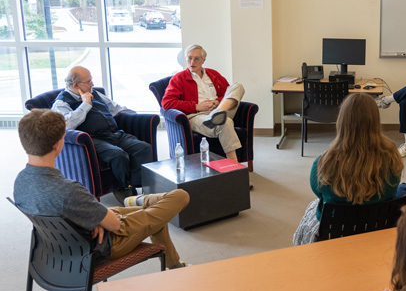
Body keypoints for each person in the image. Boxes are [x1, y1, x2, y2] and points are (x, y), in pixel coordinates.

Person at [13, 109, 190, 269]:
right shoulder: (70, 191)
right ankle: (136, 201)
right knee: (180, 196)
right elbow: (113, 224)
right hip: (105, 245)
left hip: (65, 246)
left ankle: (174, 266)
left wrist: (96, 219)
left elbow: (68, 211)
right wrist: (101, 221)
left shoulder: (20, 182)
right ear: (59, 144)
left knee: (157, 214)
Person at [293, 93, 404, 245]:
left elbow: (318, 192)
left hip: (334, 233)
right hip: (377, 229)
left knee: (311, 207)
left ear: (342, 120)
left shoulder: (324, 163)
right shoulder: (392, 157)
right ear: (375, 121)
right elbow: (394, 186)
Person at [52, 66, 152, 203]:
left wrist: (136, 117)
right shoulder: (61, 103)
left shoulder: (96, 93)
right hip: (93, 140)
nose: (92, 84)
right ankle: (125, 189)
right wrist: (85, 104)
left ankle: (133, 185)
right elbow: (67, 125)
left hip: (114, 134)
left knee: (143, 148)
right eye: (88, 81)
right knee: (118, 155)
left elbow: (116, 109)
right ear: (76, 85)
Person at [162, 44, 245, 161]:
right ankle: (233, 163)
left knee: (237, 86)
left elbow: (227, 94)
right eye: (189, 58)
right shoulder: (179, 78)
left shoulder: (213, 74)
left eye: (196, 58)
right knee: (225, 122)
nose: (192, 62)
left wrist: (217, 102)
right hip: (197, 116)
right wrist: (197, 106)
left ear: (203, 60)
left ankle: (219, 113)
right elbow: (167, 103)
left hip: (219, 110)